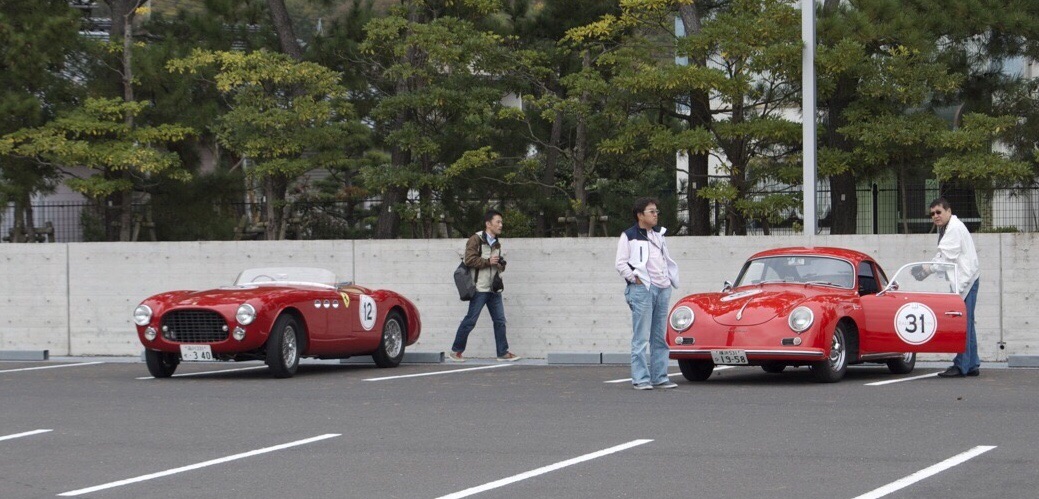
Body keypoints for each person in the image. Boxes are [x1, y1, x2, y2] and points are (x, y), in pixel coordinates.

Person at [615, 197, 680, 390]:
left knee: (659, 336)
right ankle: (641, 379)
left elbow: (663, 259)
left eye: (656, 211)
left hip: (663, 287)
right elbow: (620, 263)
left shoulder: (659, 234)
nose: (655, 215)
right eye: (651, 211)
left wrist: (668, 280)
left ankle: (660, 377)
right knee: (641, 337)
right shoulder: (629, 236)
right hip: (642, 289)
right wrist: (635, 279)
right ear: (640, 215)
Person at [914, 198, 981, 378]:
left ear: (948, 211)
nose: (935, 216)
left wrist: (926, 269)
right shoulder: (949, 227)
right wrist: (927, 268)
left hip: (965, 281)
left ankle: (961, 365)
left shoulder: (953, 229)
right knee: (967, 323)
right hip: (966, 279)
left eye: (939, 212)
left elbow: (945, 259)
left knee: (962, 323)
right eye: (932, 214)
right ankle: (972, 364)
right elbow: (943, 255)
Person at [447, 209, 521, 362]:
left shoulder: (497, 243)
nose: (501, 225)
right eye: (498, 222)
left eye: (501, 222)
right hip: (479, 288)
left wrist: (500, 265)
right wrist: (488, 262)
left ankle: (502, 353)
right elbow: (469, 260)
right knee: (470, 321)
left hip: (494, 289)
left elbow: (496, 266)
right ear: (488, 224)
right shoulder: (476, 239)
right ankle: (456, 351)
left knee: (500, 321)